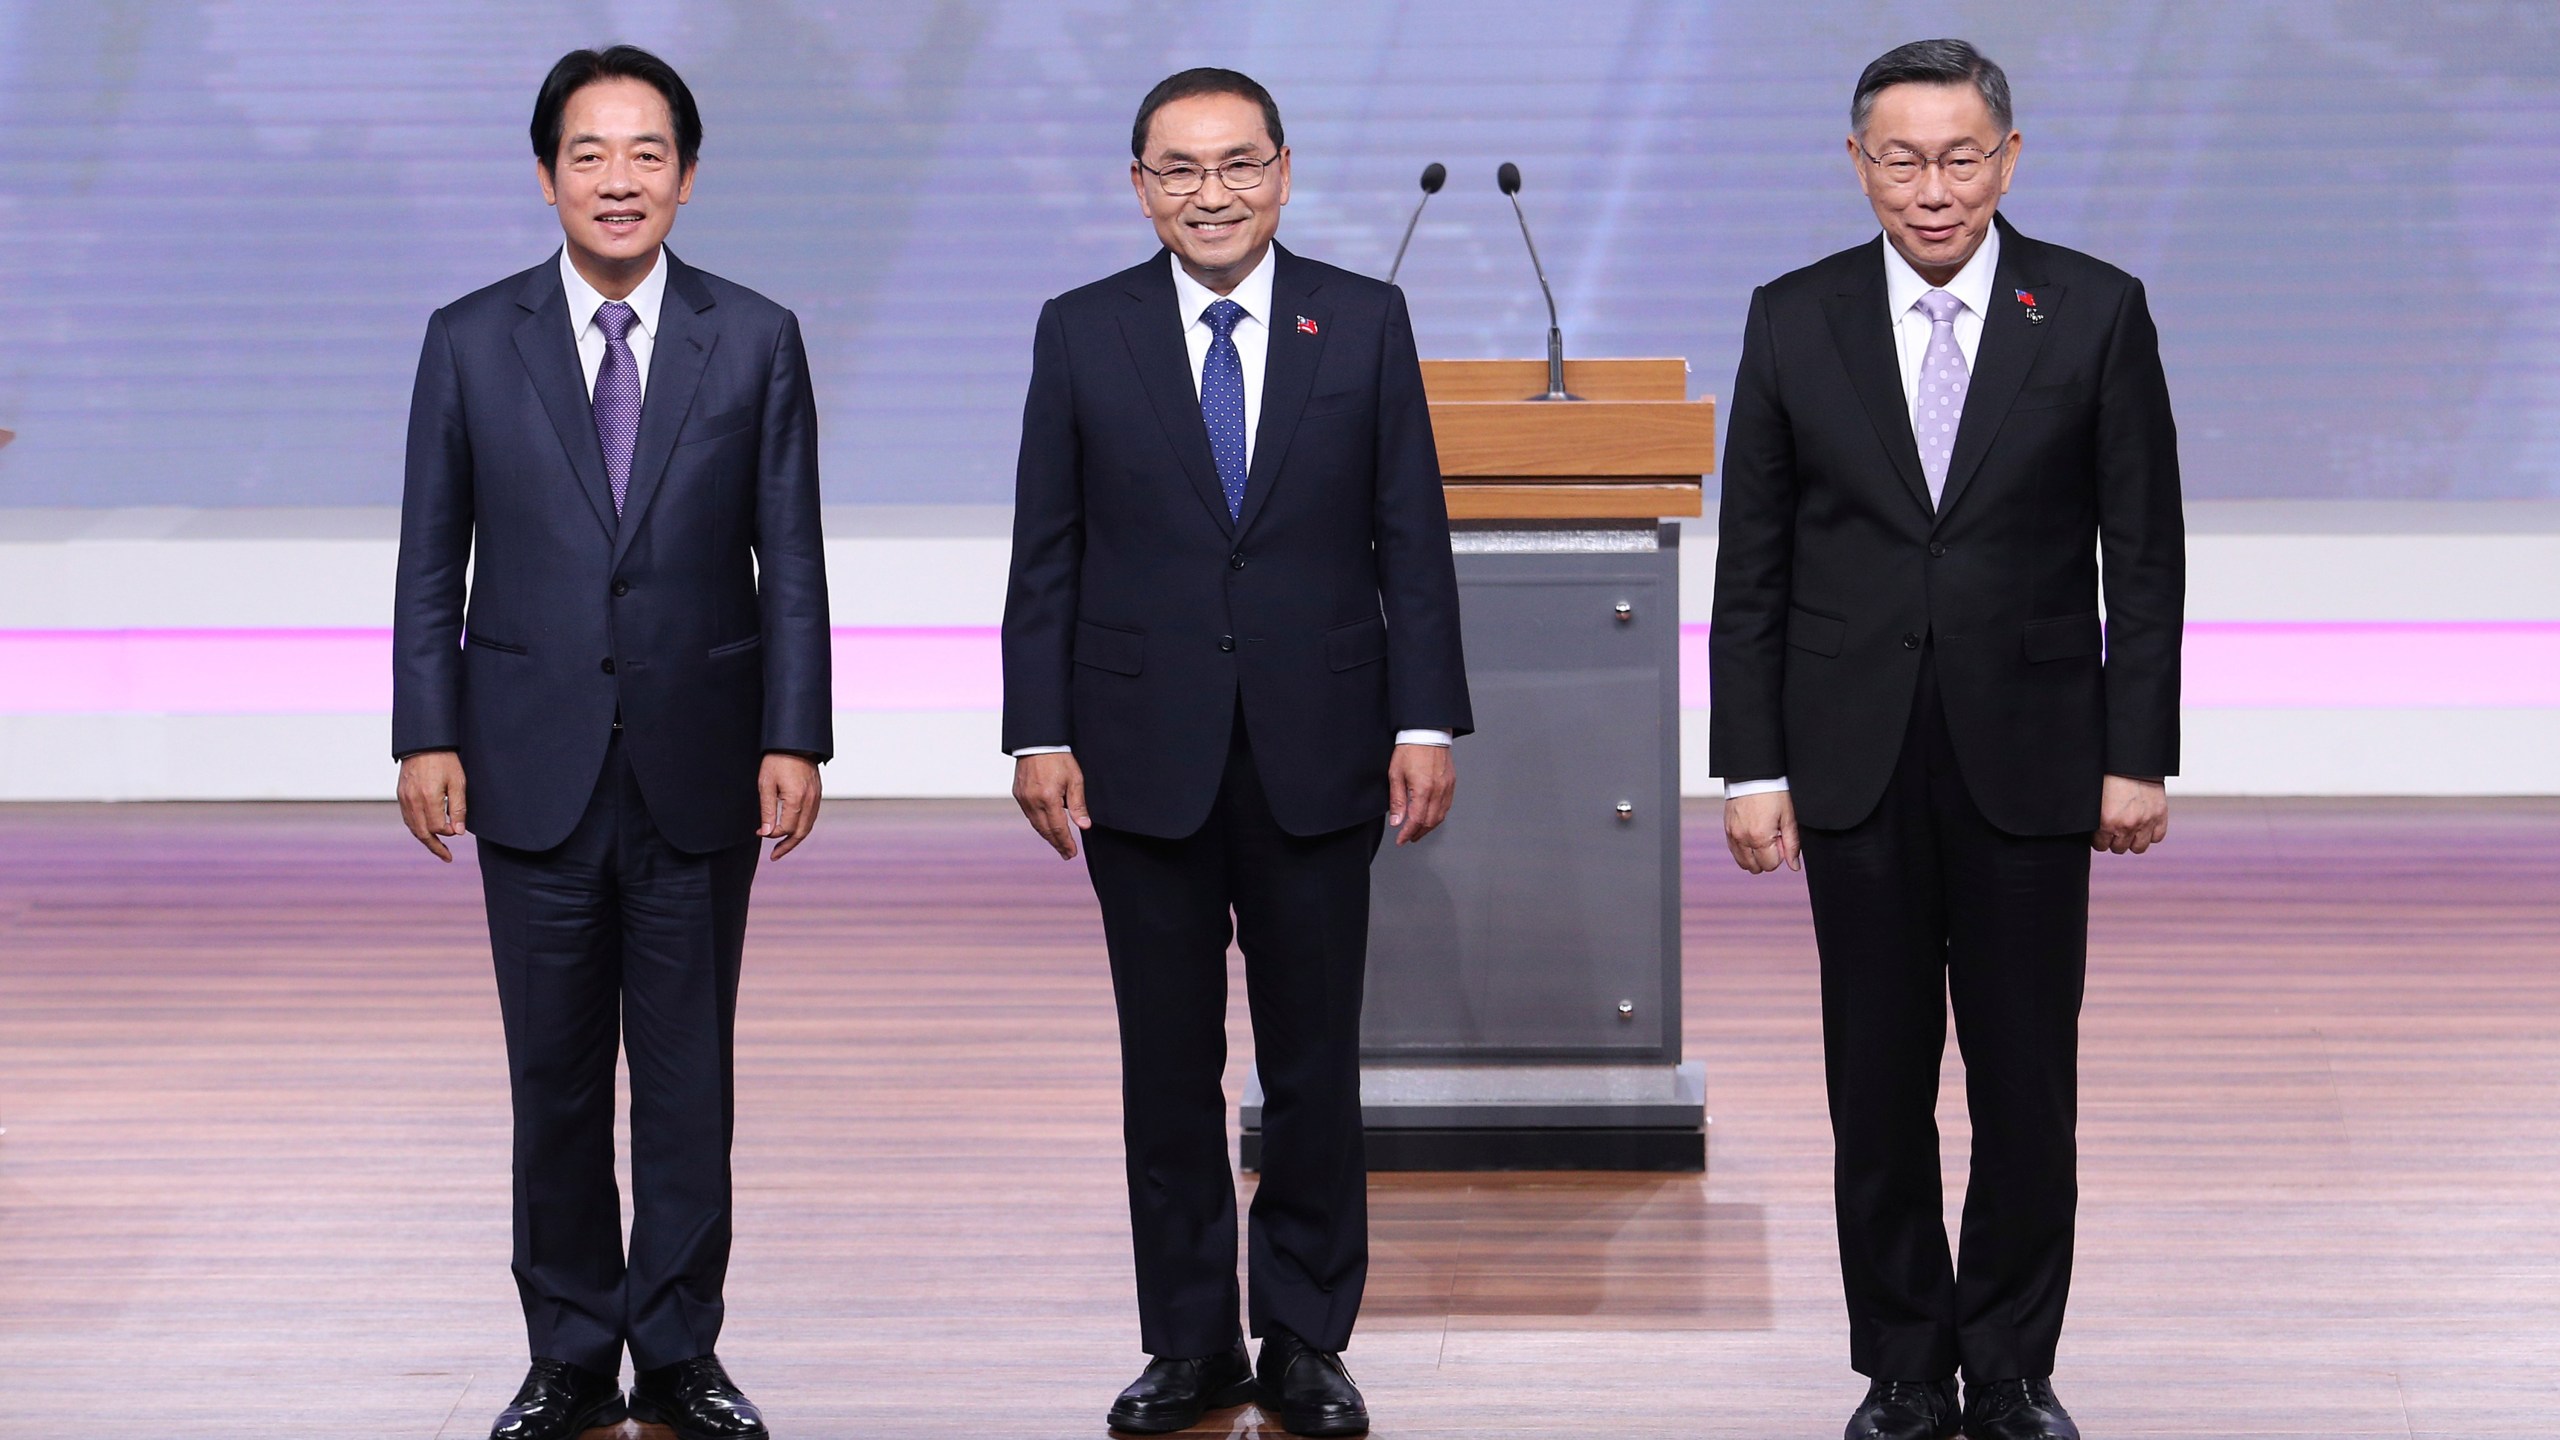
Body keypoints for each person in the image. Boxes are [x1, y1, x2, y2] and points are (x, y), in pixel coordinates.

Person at [1710, 38, 2184, 1440]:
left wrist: (2136, 751)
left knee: (2027, 1076)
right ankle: (1906, 1367)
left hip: (2035, 752)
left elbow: (2142, 555)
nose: (1934, 188)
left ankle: (2016, 1363)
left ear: (2011, 159)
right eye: (1904, 159)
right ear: (1857, 165)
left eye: (1961, 156)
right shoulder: (1793, 318)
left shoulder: (2094, 311)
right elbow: (1756, 563)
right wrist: (1752, 764)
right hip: (1849, 756)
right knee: (1877, 1079)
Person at [1000, 67, 1470, 1439]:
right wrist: (1039, 730)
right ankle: (1190, 1341)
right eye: (1180, 170)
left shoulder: (1363, 320)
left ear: (1283, 169)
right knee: (1166, 1063)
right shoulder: (1083, 331)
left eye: (1238, 165)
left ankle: (1309, 1338)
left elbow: (1411, 538)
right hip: (1138, 748)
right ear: (1140, 185)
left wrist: (1423, 716)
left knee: (1314, 1060)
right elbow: (1049, 548)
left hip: (1322, 745)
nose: (1212, 193)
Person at [391, 45, 830, 1440]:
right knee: (557, 1074)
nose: (620, 179)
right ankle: (571, 1351)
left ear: (687, 176)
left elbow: (793, 562)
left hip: (704, 756)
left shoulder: (755, 337)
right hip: (527, 758)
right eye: (591, 153)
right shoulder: (470, 338)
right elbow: (428, 562)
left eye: (648, 153)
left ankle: (682, 1353)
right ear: (546, 175)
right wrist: (424, 732)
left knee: (692, 1075)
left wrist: (796, 733)